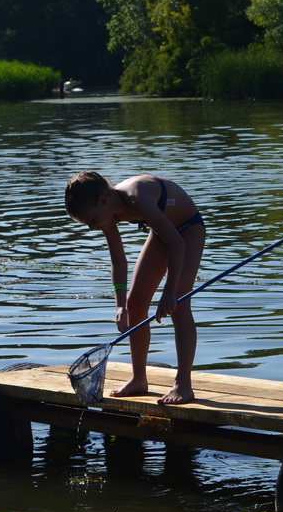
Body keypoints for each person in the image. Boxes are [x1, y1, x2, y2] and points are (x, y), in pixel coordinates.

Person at [64, 171, 205, 405]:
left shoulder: (136, 197)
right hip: (163, 233)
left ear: (103, 201)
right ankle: (139, 378)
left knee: (179, 304)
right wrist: (120, 306)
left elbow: (178, 244)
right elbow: (118, 261)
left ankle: (184, 385)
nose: (91, 228)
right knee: (135, 303)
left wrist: (169, 293)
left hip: (187, 230)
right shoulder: (107, 214)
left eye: (91, 221)